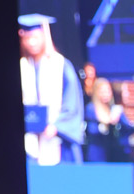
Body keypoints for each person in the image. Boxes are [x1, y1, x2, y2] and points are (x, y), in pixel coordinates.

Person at [18, 14, 84, 165]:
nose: (32, 42)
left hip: (58, 141)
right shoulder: (21, 66)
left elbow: (72, 101)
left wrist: (57, 126)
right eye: (27, 38)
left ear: (45, 36)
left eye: (35, 37)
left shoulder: (60, 64)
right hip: (28, 142)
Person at [83, 77, 125, 163]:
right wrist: (108, 122)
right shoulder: (91, 108)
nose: (106, 94)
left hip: (111, 152)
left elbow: (126, 127)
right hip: (96, 151)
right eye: (102, 91)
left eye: (108, 91)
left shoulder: (113, 109)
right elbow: (92, 130)